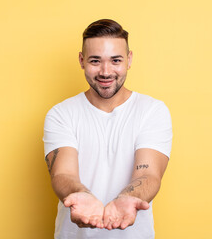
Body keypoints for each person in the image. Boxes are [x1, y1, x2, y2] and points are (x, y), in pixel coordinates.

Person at [43, 19, 173, 239]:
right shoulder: (61, 113)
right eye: (95, 61)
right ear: (82, 60)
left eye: (115, 60)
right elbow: (62, 173)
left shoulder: (152, 111)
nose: (105, 71)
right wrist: (80, 195)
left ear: (129, 59)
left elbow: (149, 173)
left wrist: (129, 198)